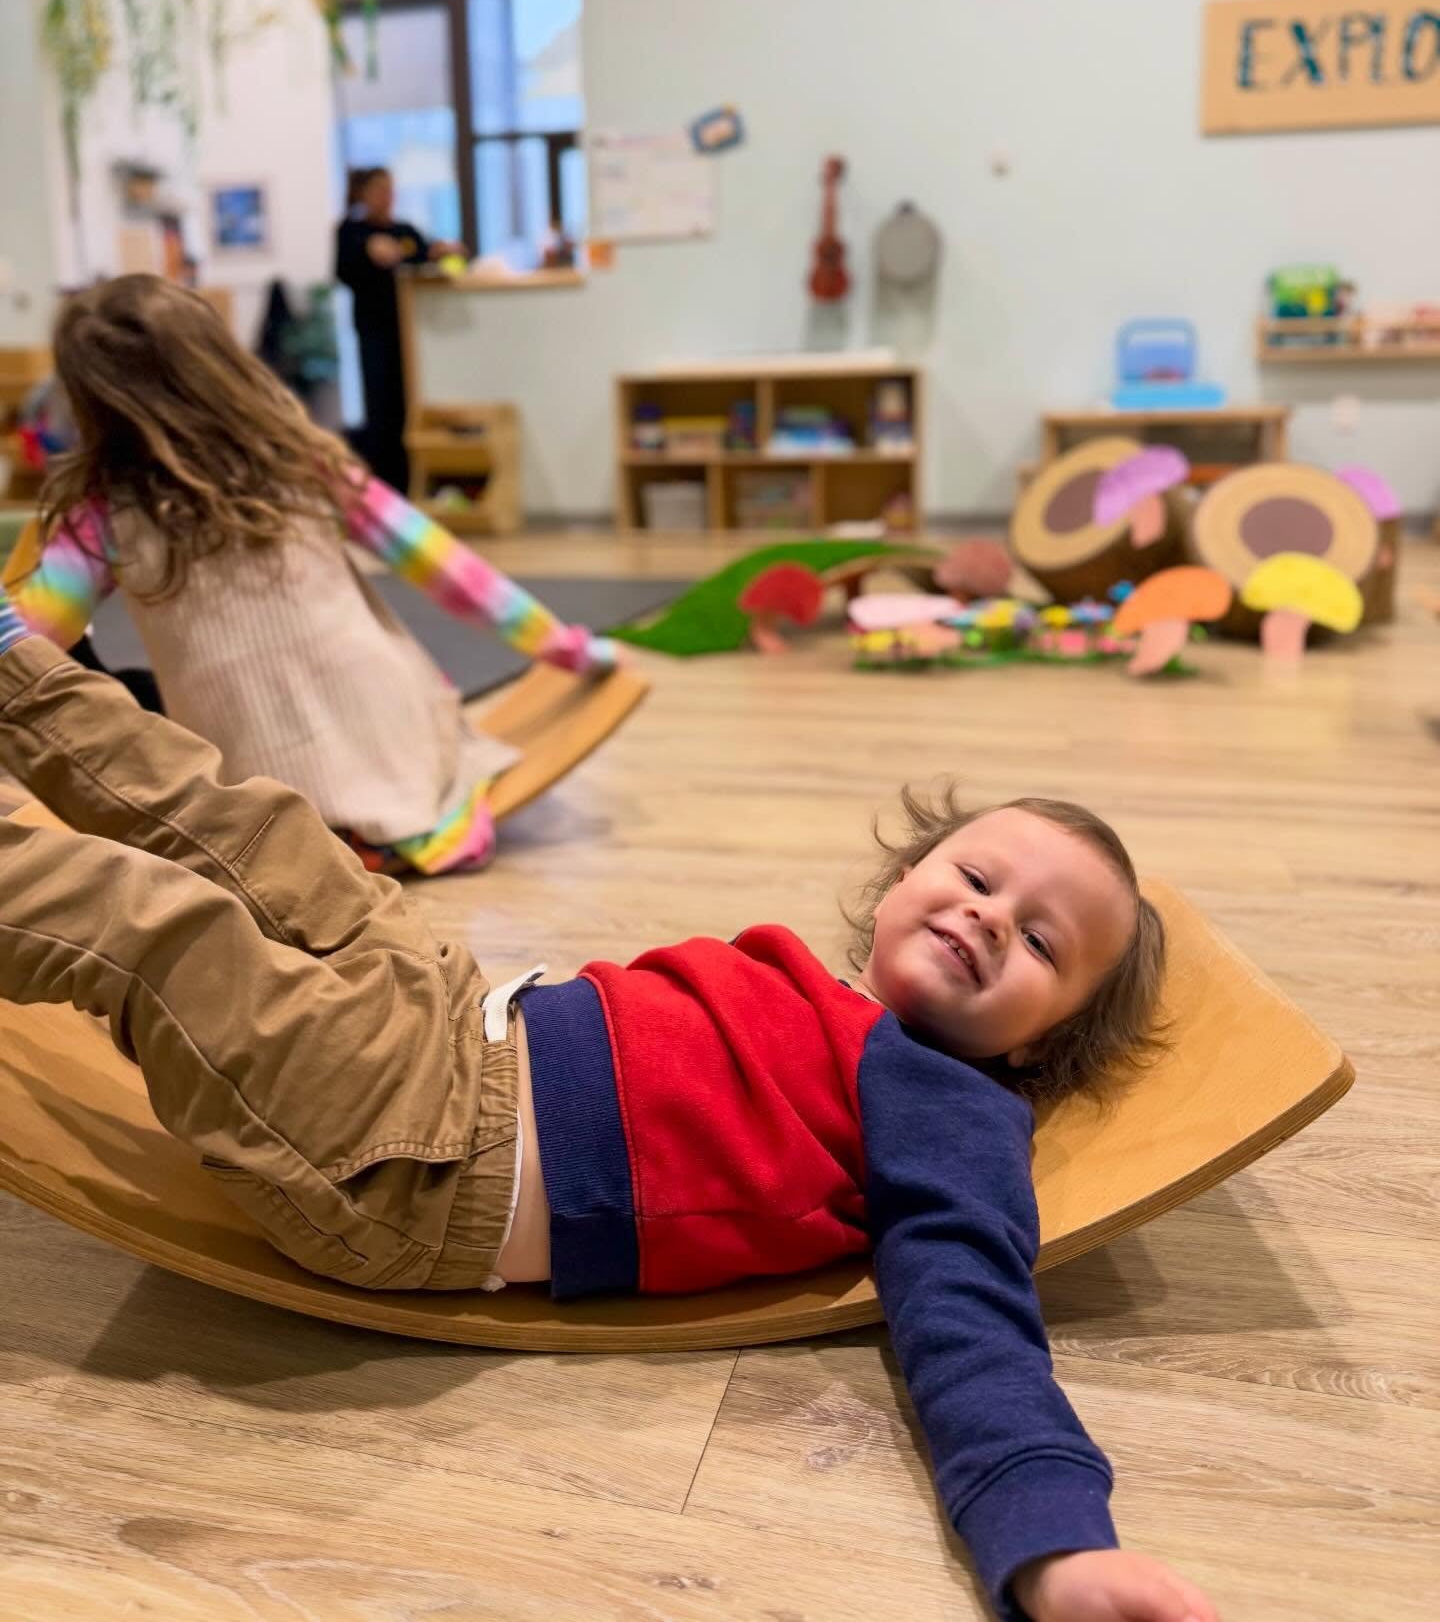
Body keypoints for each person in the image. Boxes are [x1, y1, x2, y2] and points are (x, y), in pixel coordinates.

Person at [0, 604, 1217, 1622]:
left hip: (412, 1161)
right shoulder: (834, 1001)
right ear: (908, 878)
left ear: (1047, 1038)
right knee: (268, 837)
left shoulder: (945, 1098)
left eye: (1040, 940)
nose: (992, 915)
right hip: (442, 1018)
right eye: (976, 875)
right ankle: (18, 662)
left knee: (166, 928)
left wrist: (1058, 1545)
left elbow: (972, 1314)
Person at [8, 274, 613, 876]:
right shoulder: (304, 462)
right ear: (220, 363)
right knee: (407, 686)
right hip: (391, 743)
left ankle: (337, 833)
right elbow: (448, 570)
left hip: (250, 792)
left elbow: (28, 643)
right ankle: (385, 826)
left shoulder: (102, 512)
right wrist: (564, 647)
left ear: (89, 398)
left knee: (161, 714)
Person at [336, 166, 461, 493]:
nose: (387, 197)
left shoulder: (405, 230)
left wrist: (442, 252)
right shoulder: (351, 231)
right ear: (365, 194)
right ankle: (383, 487)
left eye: (391, 190)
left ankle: (413, 484)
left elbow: (423, 254)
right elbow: (343, 271)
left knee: (408, 407)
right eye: (379, 190)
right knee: (380, 409)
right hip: (372, 333)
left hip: (408, 334)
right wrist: (369, 251)